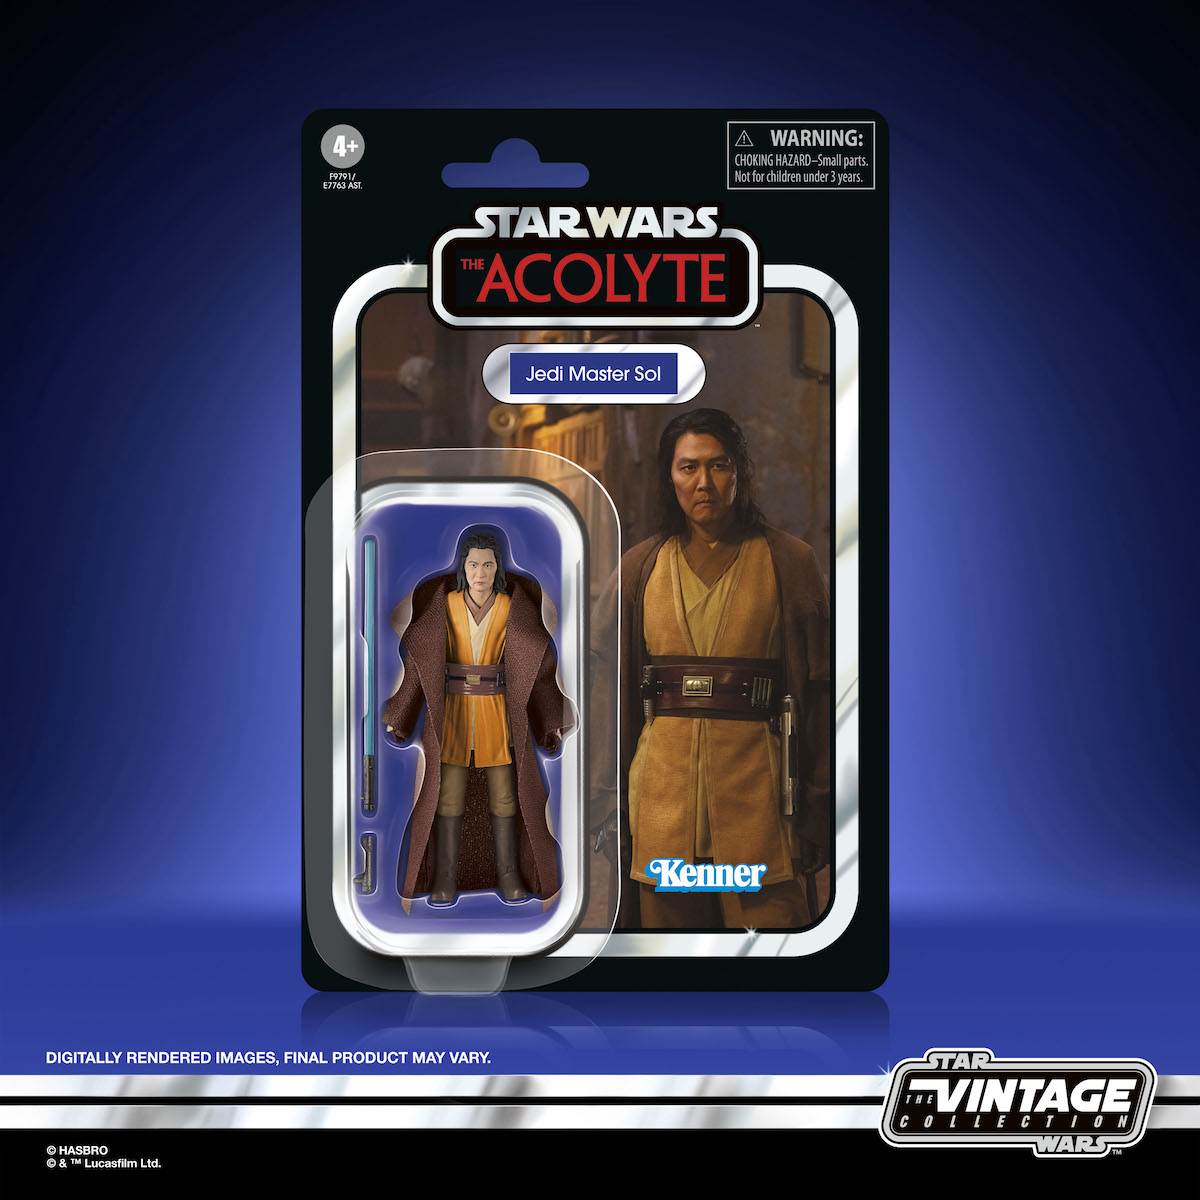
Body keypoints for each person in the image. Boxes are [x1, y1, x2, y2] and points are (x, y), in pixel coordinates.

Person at [612, 408, 831, 930]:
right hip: (662, 800)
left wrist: (818, 808)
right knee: (670, 956)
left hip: (761, 801)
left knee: (770, 951)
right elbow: (610, 696)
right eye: (688, 467)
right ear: (669, 476)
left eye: (718, 465)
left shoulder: (789, 561)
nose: (703, 482)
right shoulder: (640, 568)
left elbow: (821, 692)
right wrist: (608, 805)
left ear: (740, 472)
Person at [383, 530, 568, 907]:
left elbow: (538, 669)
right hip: (452, 716)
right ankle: (445, 879)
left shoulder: (511, 607)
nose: (480, 573)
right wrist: (400, 716)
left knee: (505, 797)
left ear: (498, 568)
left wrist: (551, 721)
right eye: (473, 565)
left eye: (487, 565)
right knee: (447, 798)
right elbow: (419, 666)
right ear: (462, 567)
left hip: (497, 714)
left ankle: (510, 875)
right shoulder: (445, 605)